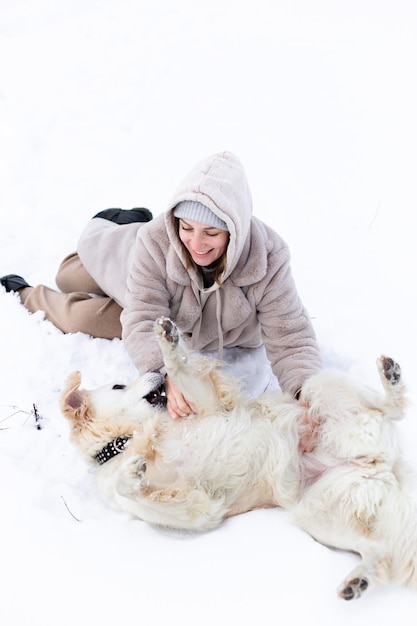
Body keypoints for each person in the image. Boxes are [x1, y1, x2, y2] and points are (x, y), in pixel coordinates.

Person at [1, 151, 322, 419]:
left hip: (184, 323)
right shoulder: (156, 241)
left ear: (235, 230)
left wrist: (306, 394)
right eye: (186, 227)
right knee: (68, 276)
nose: (196, 244)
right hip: (144, 276)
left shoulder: (267, 256)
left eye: (211, 233)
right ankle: (29, 290)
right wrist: (166, 373)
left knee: (88, 317)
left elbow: (291, 337)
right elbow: (142, 317)